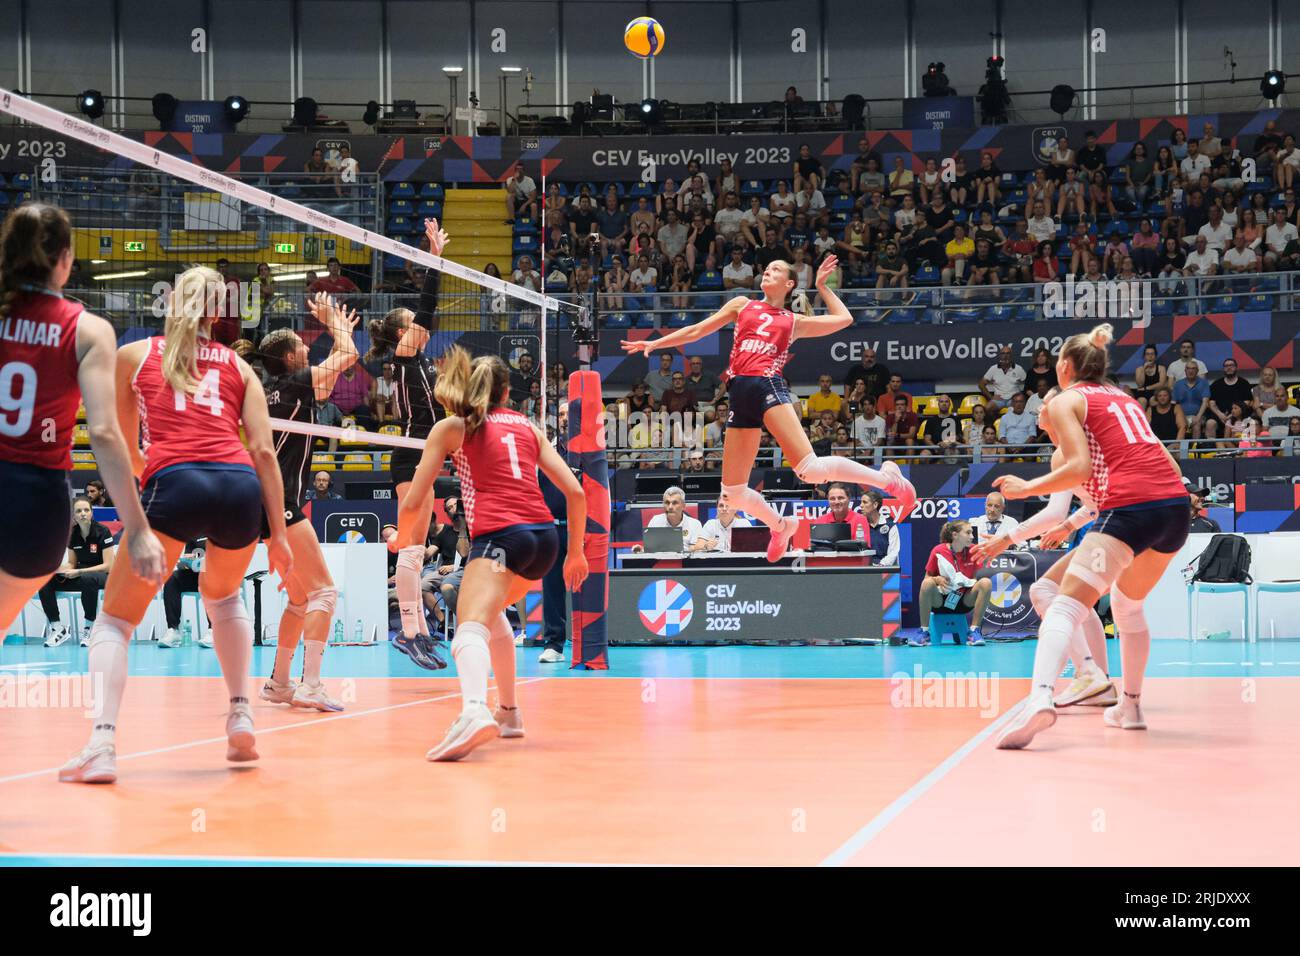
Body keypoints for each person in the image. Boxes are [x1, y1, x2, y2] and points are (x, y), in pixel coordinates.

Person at [59, 266, 293, 784]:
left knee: (116, 621)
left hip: (176, 482)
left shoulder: (134, 356)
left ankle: (101, 743)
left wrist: (157, 484)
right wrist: (278, 536)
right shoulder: (238, 364)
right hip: (238, 488)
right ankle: (240, 714)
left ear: (168, 302)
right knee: (224, 597)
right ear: (217, 311)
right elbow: (262, 452)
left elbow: (122, 445)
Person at [622, 255, 915, 562]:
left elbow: (843, 319)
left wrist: (822, 287)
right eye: (767, 267)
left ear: (789, 284)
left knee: (810, 470)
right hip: (739, 395)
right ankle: (781, 525)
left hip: (767, 386)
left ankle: (888, 479)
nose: (767, 270)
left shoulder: (792, 322)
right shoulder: (741, 305)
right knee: (732, 493)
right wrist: (656, 344)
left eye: (775, 269)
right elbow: (698, 330)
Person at [993, 324, 1189, 750]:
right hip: (1174, 508)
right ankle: (1130, 707)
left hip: (1130, 510)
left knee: (1062, 607)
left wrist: (1027, 487)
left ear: (1064, 366)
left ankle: (1039, 699)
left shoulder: (1067, 399)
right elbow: (1169, 464)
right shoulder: (1126, 400)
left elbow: (1079, 468)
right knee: (1128, 607)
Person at [394, 346, 588, 761]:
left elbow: (414, 500)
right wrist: (577, 554)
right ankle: (510, 713)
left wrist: (404, 541)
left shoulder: (453, 428)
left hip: (502, 538)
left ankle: (474, 711)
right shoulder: (528, 427)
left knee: (469, 626)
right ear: (505, 393)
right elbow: (574, 491)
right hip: (545, 541)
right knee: (493, 615)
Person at [0, 204, 165, 656]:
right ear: (67, 259)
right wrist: (136, 527)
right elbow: (106, 433)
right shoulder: (87, 329)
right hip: (35, 497)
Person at [254, 293, 361, 710]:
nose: (306, 346)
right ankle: (311, 685)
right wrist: (337, 325)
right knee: (324, 594)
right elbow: (349, 355)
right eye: (301, 346)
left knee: (300, 600)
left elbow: (336, 369)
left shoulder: (283, 390)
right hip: (279, 503)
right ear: (289, 358)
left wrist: (339, 332)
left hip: (264, 505)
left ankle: (279, 684)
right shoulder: (298, 383)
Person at [971, 396, 1111, 709]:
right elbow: (1092, 503)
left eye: (1045, 404)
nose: (1039, 409)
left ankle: (1089, 675)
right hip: (1130, 520)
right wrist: (1068, 527)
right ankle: (1102, 682)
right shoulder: (1078, 447)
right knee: (1094, 603)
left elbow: (1053, 513)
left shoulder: (1069, 453)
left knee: (1046, 589)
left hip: (1123, 524)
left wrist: (1005, 539)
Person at [367, 219, 451, 671]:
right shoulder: (405, 354)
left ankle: (419, 632)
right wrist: (434, 258)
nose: (419, 326)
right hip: (411, 456)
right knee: (411, 549)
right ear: (404, 333)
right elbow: (429, 306)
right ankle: (409, 633)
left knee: (414, 549)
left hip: (426, 455)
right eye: (412, 323)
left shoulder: (419, 362)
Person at [37, 496, 116, 647]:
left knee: (88, 578)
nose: (83, 513)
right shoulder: (72, 534)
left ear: (92, 512)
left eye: (86, 510)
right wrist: (55, 570)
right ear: (74, 515)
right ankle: (58, 628)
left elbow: (108, 566)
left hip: (103, 576)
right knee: (45, 581)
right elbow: (72, 563)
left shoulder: (103, 531)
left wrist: (79, 572)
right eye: (78, 511)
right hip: (82, 574)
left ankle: (89, 628)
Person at [912, 520, 992, 647]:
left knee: (986, 583)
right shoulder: (938, 550)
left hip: (963, 601)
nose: (972, 536)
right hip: (940, 601)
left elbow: (974, 579)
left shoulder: (973, 550)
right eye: (968, 533)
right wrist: (936, 579)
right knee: (927, 583)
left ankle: (974, 631)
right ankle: (924, 632)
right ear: (955, 535)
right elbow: (926, 578)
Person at [636, 486, 706, 552]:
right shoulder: (655, 521)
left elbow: (694, 551)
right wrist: (641, 550)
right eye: (667, 503)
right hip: (660, 562)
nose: (670, 507)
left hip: (685, 562)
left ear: (683, 506)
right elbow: (649, 549)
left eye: (675, 503)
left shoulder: (695, 524)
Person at [858, 491, 899, 566]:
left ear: (875, 505)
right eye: (861, 502)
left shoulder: (890, 526)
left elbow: (893, 552)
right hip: (863, 569)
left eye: (865, 502)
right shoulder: (859, 526)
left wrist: (881, 564)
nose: (861, 505)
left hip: (884, 570)